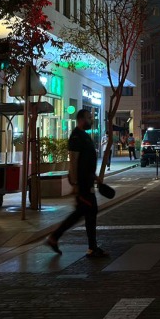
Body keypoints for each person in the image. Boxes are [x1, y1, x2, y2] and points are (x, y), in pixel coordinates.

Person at [45, 108, 107, 258]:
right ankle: (89, 247)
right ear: (81, 119)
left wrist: (95, 177)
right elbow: (73, 161)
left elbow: (86, 161)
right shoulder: (76, 137)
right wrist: (75, 184)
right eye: (89, 118)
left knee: (84, 212)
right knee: (88, 211)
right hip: (82, 183)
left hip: (87, 181)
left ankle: (56, 238)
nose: (91, 120)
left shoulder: (84, 136)